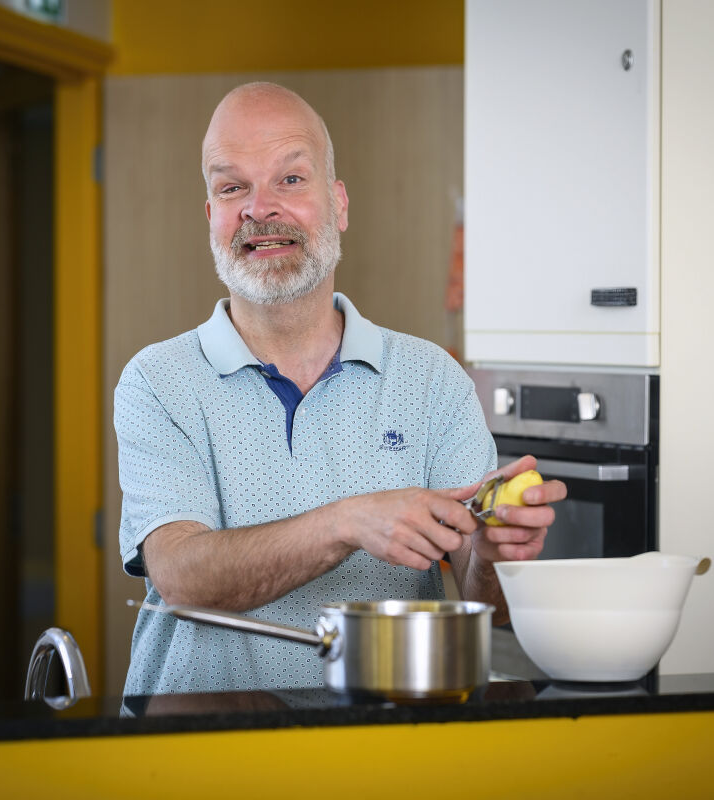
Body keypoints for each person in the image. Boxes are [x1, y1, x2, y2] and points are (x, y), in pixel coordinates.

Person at [115, 82, 566, 696]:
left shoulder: (432, 379)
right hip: (197, 743)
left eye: (291, 180)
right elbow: (180, 573)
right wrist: (348, 522)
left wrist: (494, 552)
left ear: (340, 204)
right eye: (232, 187)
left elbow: (489, 603)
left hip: (387, 737)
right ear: (211, 217)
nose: (259, 208)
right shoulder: (157, 381)